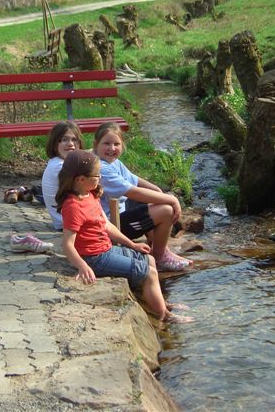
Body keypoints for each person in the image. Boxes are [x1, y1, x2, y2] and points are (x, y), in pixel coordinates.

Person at [56, 149, 191, 323]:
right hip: (94, 258)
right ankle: (164, 316)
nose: (100, 179)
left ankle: (162, 304)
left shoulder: (89, 195)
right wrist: (82, 266)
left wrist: (132, 245)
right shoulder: (73, 207)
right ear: (81, 180)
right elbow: (67, 244)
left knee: (148, 259)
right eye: (97, 176)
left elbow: (106, 225)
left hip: (105, 249)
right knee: (148, 272)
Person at [92, 122, 191, 272]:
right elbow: (134, 192)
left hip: (117, 215)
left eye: (116, 144)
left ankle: (163, 250)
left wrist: (158, 192)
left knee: (154, 198)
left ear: (122, 145)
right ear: (96, 144)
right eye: (106, 143)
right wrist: (171, 199)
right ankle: (159, 258)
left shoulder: (113, 162)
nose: (112, 148)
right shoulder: (101, 168)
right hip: (110, 227)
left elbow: (135, 180)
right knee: (166, 210)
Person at [41, 121, 84, 230]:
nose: (70, 144)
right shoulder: (59, 166)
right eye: (64, 140)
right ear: (55, 145)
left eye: (74, 140)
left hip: (72, 220)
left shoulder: (58, 162)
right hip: (70, 223)